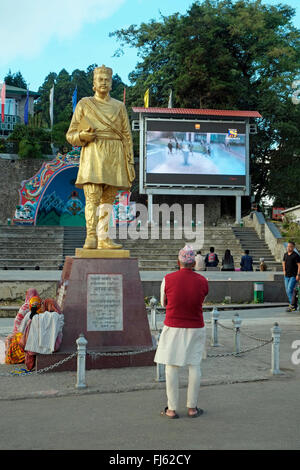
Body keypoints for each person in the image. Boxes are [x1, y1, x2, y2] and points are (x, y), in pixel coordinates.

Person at [66, 64, 135, 250]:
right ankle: (90, 236)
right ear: (94, 84)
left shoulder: (119, 106)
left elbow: (127, 136)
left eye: (107, 80)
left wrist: (129, 160)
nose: (104, 82)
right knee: (92, 198)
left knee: (108, 200)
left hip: (114, 154)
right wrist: (82, 137)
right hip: (93, 153)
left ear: (111, 84)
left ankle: (104, 238)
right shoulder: (84, 104)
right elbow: (70, 134)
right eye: (100, 79)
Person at [154, 245, 208, 419]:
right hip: (196, 327)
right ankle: (192, 408)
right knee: (195, 366)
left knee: (172, 366)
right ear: (193, 263)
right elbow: (201, 300)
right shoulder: (202, 281)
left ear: (178, 262)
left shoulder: (168, 279)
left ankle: (171, 409)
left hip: (173, 326)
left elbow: (164, 303)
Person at [20, 298, 64, 371]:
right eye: (33, 304)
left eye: (38, 304)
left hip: (36, 345)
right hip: (53, 345)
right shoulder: (55, 316)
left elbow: (22, 329)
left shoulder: (46, 316)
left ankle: (30, 363)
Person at [5, 295, 43, 365]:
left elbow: (21, 330)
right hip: (37, 340)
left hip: (27, 338)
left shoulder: (29, 314)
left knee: (10, 339)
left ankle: (10, 359)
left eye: (35, 304)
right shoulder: (44, 314)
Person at [282, 241, 300, 307]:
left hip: (293, 276)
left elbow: (299, 265)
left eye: (290, 246)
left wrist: (298, 275)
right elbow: (283, 262)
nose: (289, 248)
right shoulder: (285, 254)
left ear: (293, 247)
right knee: (287, 291)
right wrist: (284, 270)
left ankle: (292, 304)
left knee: (290, 289)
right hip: (286, 276)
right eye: (288, 246)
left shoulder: (296, 255)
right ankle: (293, 304)